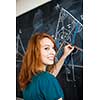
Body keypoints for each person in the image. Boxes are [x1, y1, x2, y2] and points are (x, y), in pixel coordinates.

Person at [18, 32, 74, 100]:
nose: (53, 52)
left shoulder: (29, 78)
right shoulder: (47, 79)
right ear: (35, 52)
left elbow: (49, 77)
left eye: (53, 48)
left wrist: (64, 56)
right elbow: (48, 79)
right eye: (46, 48)